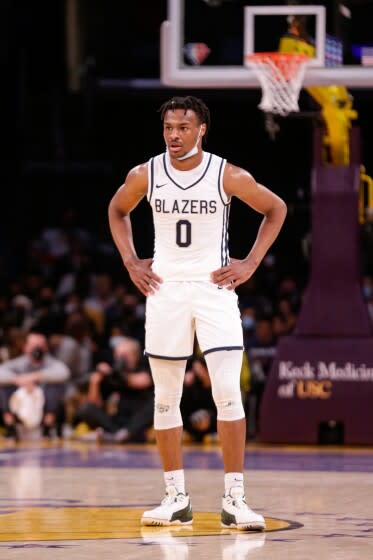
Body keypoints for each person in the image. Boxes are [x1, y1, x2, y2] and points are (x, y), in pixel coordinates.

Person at [108, 95, 287, 530]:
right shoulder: (145, 173)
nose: (174, 135)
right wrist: (131, 261)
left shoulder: (226, 174)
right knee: (166, 398)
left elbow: (275, 208)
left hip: (213, 290)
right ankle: (175, 497)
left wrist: (250, 262)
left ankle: (235, 499)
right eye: (169, 127)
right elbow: (117, 210)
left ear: (201, 129)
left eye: (183, 128)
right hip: (165, 290)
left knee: (227, 391)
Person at [0, 331, 70, 439]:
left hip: (44, 404)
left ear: (46, 348)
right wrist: (17, 380)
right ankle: (10, 427)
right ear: (26, 347)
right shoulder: (19, 362)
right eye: (34, 345)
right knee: (4, 387)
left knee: (56, 386)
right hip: (21, 403)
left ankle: (47, 427)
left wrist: (35, 376)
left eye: (41, 346)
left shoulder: (51, 362)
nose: (37, 349)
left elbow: (64, 372)